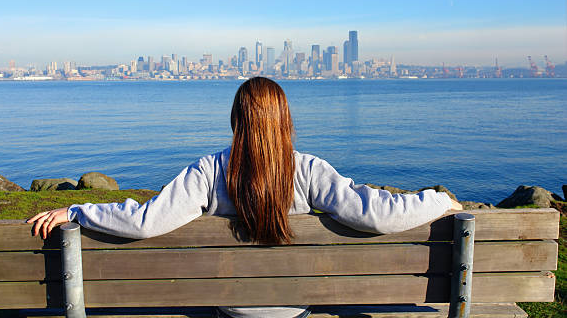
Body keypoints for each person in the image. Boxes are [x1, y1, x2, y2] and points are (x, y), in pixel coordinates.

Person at [28, 76, 462, 318]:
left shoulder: (209, 170)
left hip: (232, 310)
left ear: (236, 118)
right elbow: (378, 214)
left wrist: (78, 210)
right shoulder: (308, 170)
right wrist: (439, 201)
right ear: (285, 119)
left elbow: (146, 220)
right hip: (294, 310)